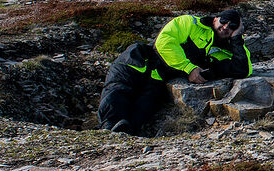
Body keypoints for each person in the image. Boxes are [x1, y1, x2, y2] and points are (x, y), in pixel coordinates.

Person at [97, 8, 252, 135]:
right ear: (215, 18)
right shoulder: (189, 22)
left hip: (157, 79)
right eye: (224, 21)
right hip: (136, 61)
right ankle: (109, 131)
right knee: (117, 92)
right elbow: (165, 42)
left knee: (143, 111)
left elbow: (243, 69)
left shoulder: (225, 50)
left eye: (232, 26)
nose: (226, 27)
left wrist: (237, 38)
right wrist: (189, 68)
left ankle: (126, 137)